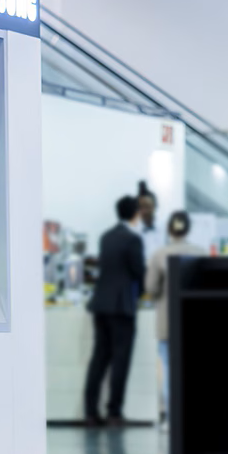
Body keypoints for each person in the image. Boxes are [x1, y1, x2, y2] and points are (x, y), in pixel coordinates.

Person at [83, 196, 147, 428]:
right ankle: (114, 412)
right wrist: (141, 294)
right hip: (122, 306)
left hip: (100, 304)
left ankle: (90, 412)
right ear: (136, 214)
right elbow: (139, 272)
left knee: (99, 358)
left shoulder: (106, 237)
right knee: (121, 360)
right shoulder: (133, 239)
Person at [144, 211, 206, 427]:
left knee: (169, 370)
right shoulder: (200, 253)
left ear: (169, 229)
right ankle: (195, 416)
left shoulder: (159, 254)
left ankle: (172, 419)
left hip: (167, 321)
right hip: (194, 321)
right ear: (188, 229)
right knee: (194, 369)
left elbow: (151, 288)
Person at [136, 182, 163, 261]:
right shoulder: (134, 232)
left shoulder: (165, 230)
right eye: (141, 207)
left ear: (155, 207)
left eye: (147, 207)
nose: (144, 211)